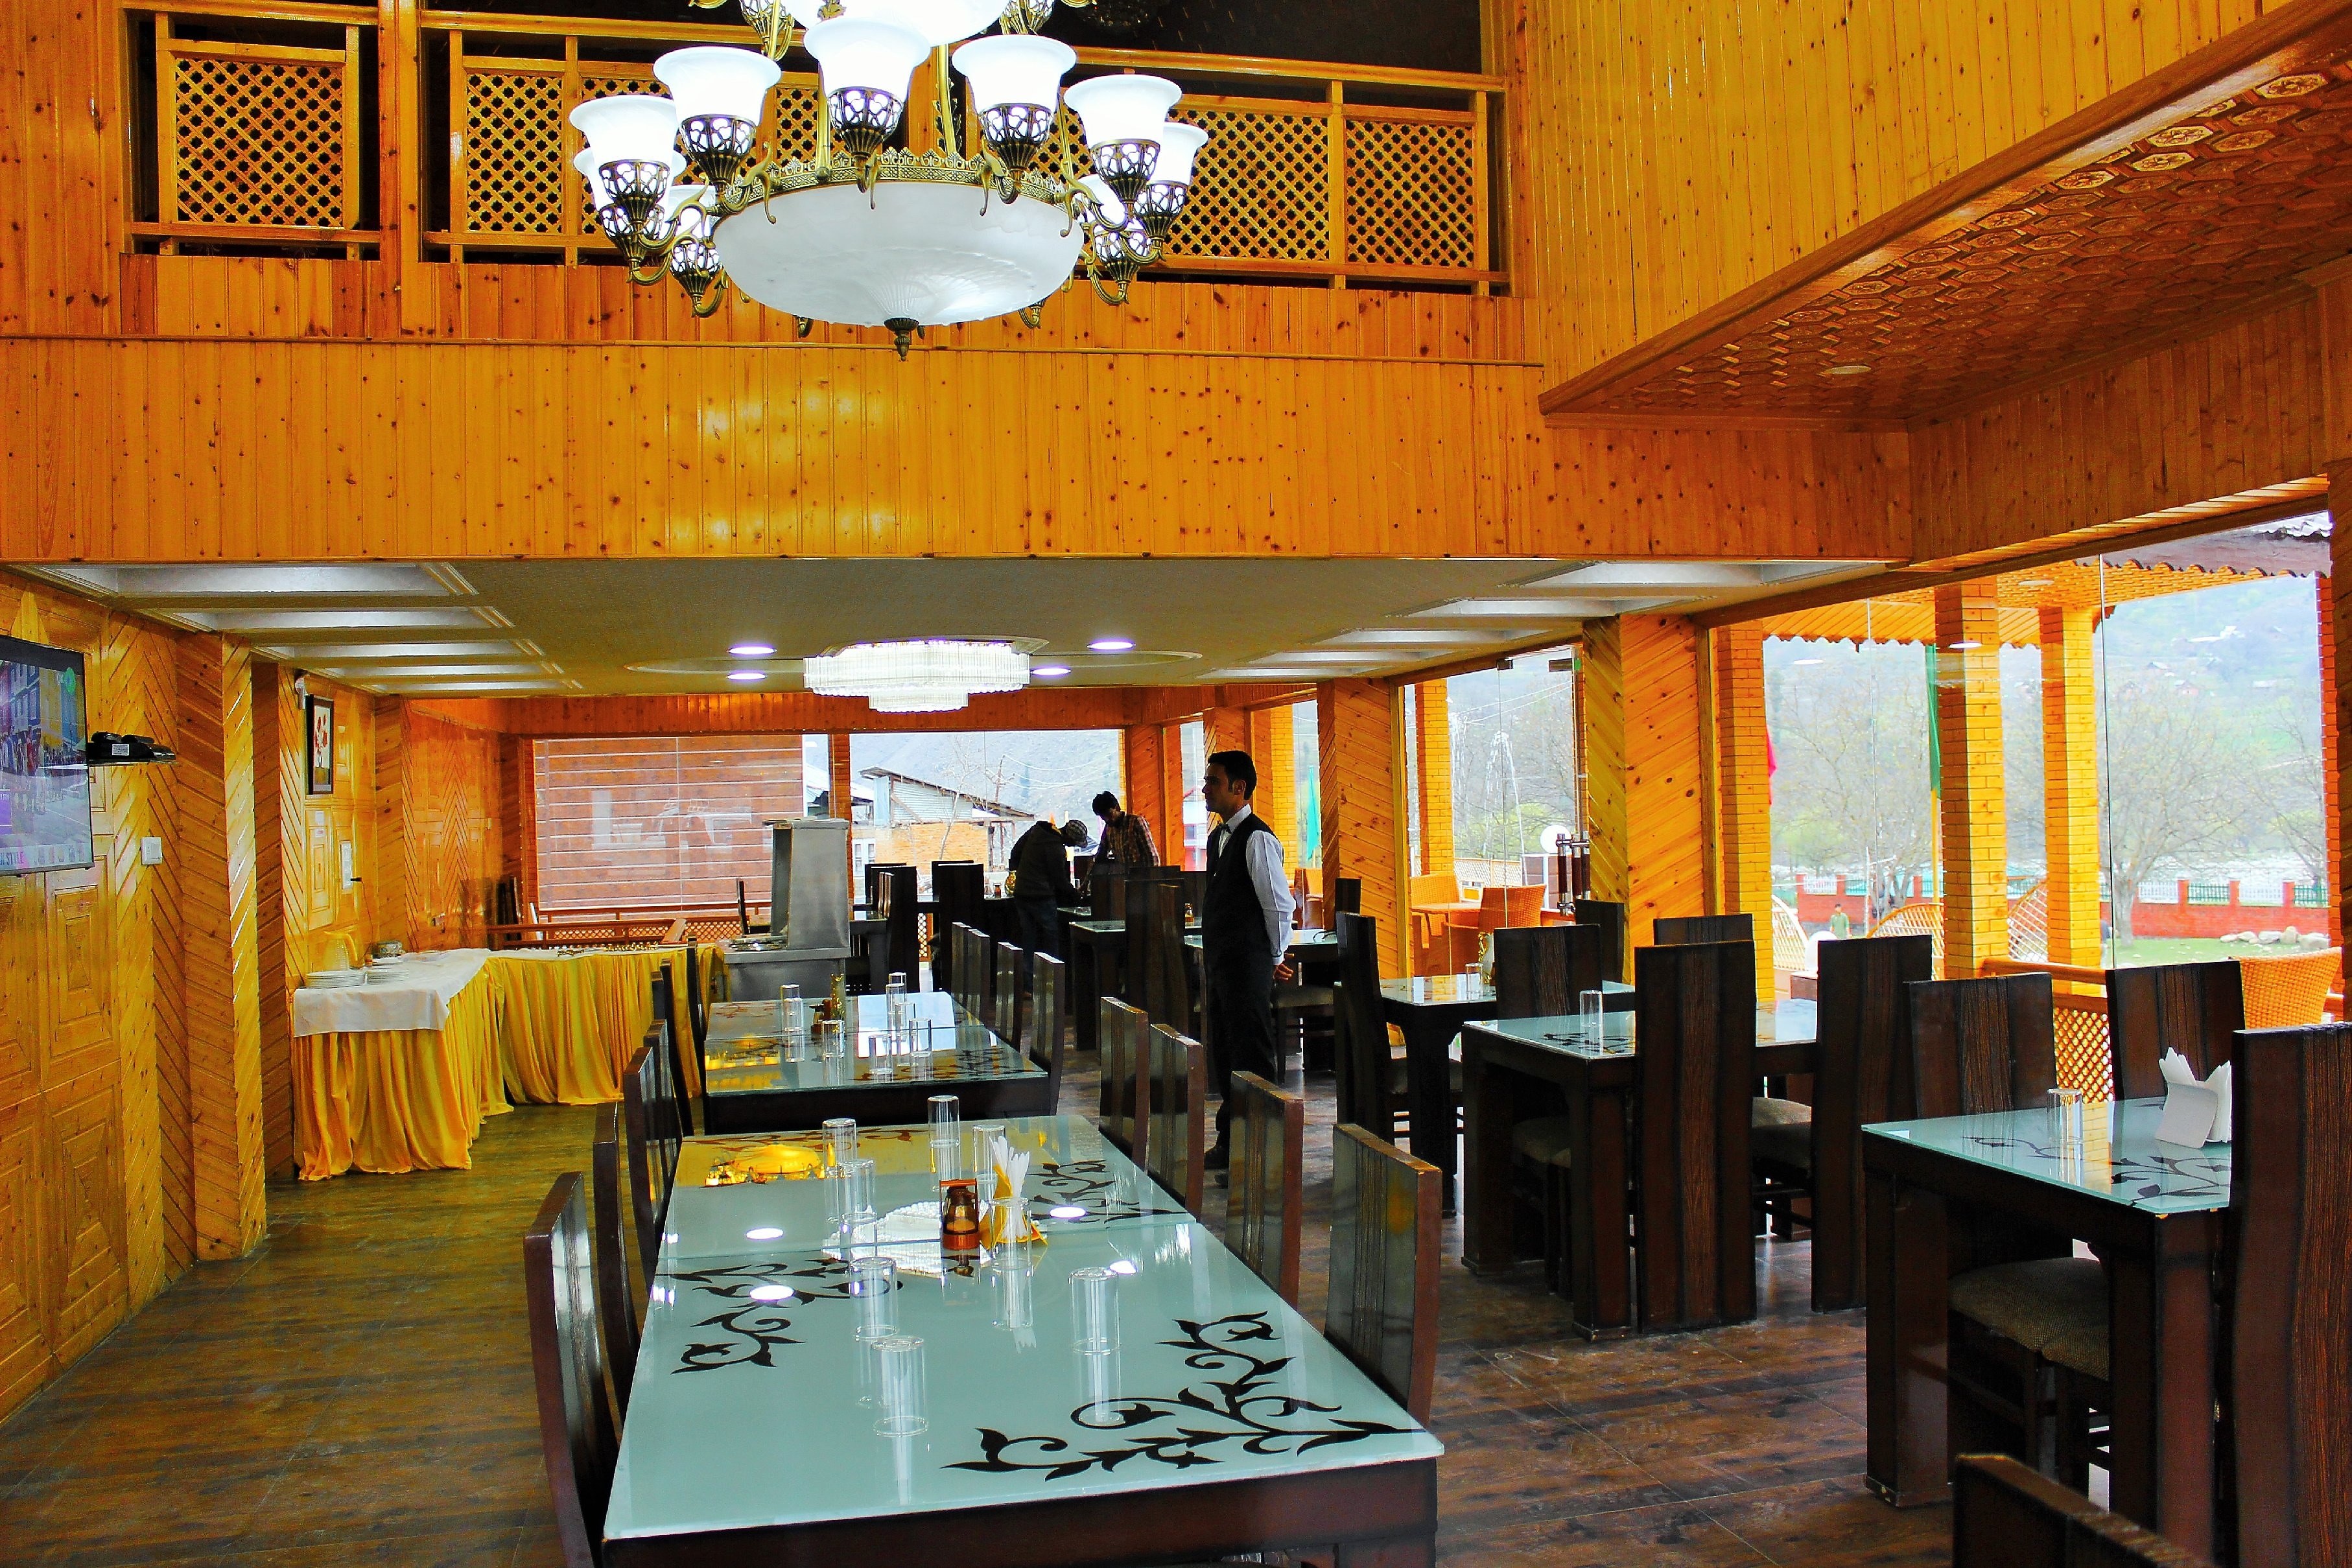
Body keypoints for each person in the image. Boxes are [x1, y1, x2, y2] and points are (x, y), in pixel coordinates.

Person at [1197, 749, 1295, 1172]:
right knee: (1225, 1053)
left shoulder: (1257, 839)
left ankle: (1262, 1150)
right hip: (1223, 964)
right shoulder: (1218, 838)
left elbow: (1278, 905)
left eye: (1213, 781)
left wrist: (1274, 956)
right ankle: (1232, 1140)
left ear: (1239, 788)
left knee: (1252, 1055)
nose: (1205, 789)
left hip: (1248, 963)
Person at [1009, 817, 1088, 957]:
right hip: (1041, 896)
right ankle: (1052, 969)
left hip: (1021, 893)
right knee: (1052, 936)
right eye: (1074, 843)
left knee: (1028, 938)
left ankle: (1028, 970)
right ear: (1069, 837)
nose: (1072, 846)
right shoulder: (1056, 848)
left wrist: (1022, 874)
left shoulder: (1036, 831)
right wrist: (1077, 895)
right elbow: (1059, 880)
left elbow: (1015, 853)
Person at [1092, 790, 1158, 869]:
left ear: (1117, 808)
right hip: (1123, 875)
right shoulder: (1108, 828)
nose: (1107, 819)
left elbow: (1152, 857)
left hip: (1141, 874)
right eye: (1103, 817)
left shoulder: (1136, 822)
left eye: (1109, 814)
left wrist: (1150, 875)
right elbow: (1101, 855)